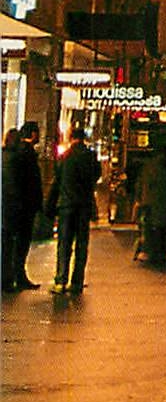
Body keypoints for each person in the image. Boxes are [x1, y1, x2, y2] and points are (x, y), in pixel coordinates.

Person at [47, 127, 100, 295]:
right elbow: (95, 177)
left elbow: (57, 182)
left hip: (66, 206)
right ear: (84, 138)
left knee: (64, 244)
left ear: (71, 138)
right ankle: (77, 282)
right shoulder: (91, 157)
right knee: (81, 244)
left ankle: (60, 280)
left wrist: (50, 205)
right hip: (83, 205)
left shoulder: (65, 157)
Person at [3, 126, 45, 290]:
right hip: (20, 207)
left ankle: (11, 277)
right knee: (18, 243)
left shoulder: (8, 156)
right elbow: (28, 182)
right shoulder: (24, 155)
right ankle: (14, 277)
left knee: (8, 243)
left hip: (11, 206)